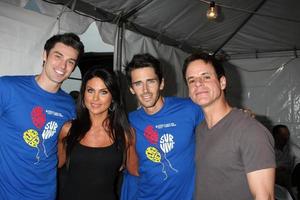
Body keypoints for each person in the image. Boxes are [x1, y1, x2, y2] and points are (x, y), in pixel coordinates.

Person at [0, 32, 84, 200]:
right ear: (45, 55)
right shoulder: (7, 88)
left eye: (70, 62)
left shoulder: (69, 105)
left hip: (45, 193)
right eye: (58, 56)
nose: (63, 66)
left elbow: (62, 149)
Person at [182, 52, 276, 200]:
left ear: (222, 82)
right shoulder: (200, 129)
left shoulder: (250, 131)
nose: (198, 83)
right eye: (191, 80)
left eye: (206, 77)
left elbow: (265, 196)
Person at [121, 53, 204, 200]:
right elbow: (130, 168)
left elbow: (219, 118)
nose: (145, 90)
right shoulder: (128, 121)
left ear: (161, 83)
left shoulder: (189, 109)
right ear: (131, 89)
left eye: (151, 81)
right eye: (138, 83)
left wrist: (240, 114)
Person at [57, 67, 138, 200]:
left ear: (113, 97)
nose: (95, 98)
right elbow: (54, 165)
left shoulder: (126, 134)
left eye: (103, 92)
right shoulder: (68, 129)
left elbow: (135, 171)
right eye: (90, 91)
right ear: (83, 94)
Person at [272, 125, 294, 189]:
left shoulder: (291, 147)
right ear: (275, 135)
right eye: (283, 134)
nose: (286, 137)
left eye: (287, 134)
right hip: (273, 178)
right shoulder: (268, 149)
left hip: (289, 177)